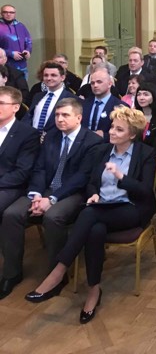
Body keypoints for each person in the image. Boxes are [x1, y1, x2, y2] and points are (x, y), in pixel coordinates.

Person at [24, 106, 156, 324]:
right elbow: (92, 182)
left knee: (88, 215)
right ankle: (94, 290)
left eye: (119, 130)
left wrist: (121, 176)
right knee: (94, 229)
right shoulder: (103, 151)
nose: (112, 132)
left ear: (132, 134)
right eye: (112, 127)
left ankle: (58, 271)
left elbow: (145, 191)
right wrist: (94, 194)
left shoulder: (146, 154)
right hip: (101, 207)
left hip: (130, 209)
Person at [0, 98, 102, 299]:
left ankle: (56, 276)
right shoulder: (51, 137)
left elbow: (82, 177)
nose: (60, 119)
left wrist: (53, 198)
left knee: (53, 217)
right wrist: (37, 194)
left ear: (78, 118)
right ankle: (11, 273)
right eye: (57, 115)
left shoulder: (92, 141)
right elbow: (39, 168)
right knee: (11, 214)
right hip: (44, 189)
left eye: (65, 115)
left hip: (73, 192)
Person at [0, 86, 40, 217]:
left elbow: (22, 172)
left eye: (1, 103)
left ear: (16, 107)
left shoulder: (27, 134)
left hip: (9, 186)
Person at [23, 61, 76, 134]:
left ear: (62, 77)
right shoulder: (38, 96)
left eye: (53, 75)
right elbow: (28, 117)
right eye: (46, 75)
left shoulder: (71, 99)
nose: (48, 78)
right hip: (33, 138)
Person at [81, 67, 127, 141]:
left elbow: (124, 133)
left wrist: (105, 136)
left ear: (109, 84)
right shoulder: (83, 104)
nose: (95, 85)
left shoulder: (121, 107)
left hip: (107, 144)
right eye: (92, 83)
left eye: (99, 82)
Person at [0, 4, 32, 77]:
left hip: (22, 67)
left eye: (11, 12)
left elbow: (28, 41)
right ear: (1, 13)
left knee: (23, 84)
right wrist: (11, 54)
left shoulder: (20, 26)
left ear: (15, 14)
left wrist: (28, 50)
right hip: (6, 67)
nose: (8, 14)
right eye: (5, 12)